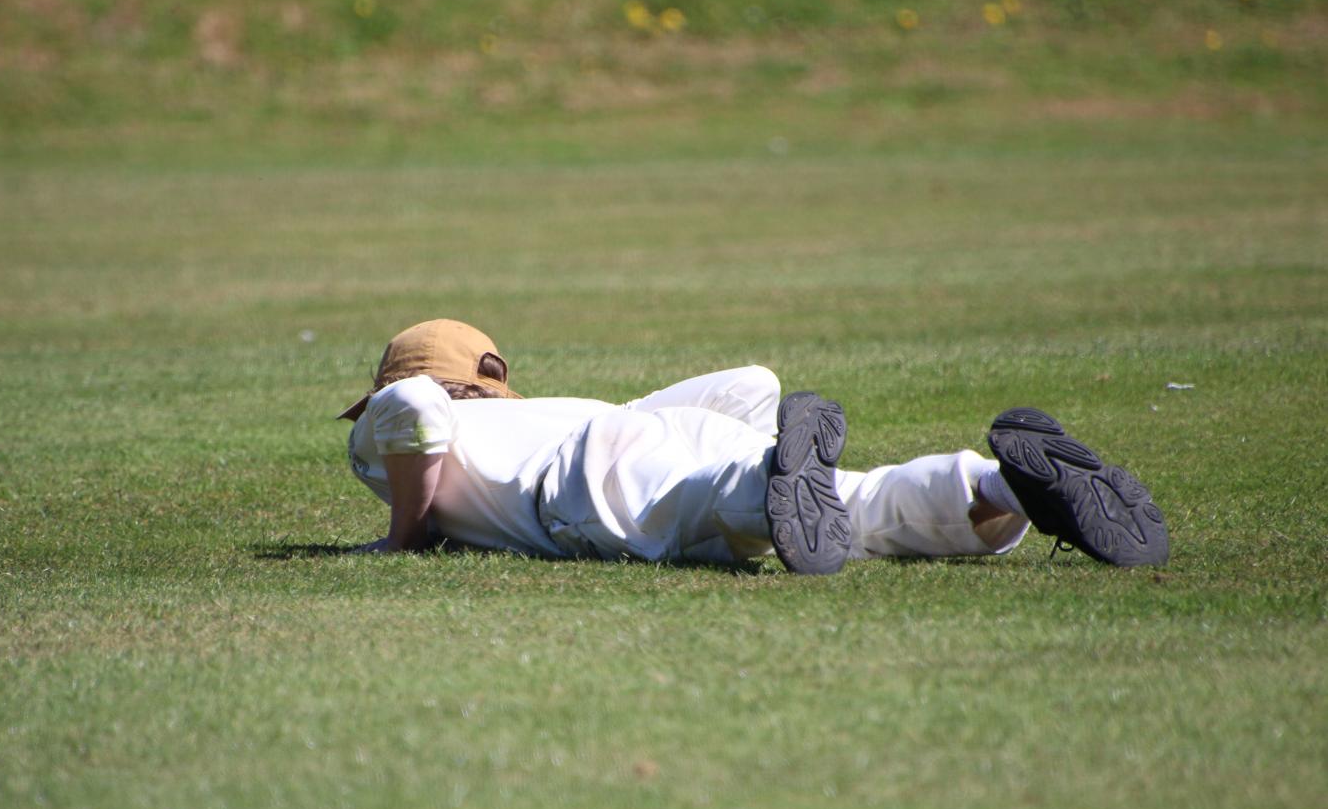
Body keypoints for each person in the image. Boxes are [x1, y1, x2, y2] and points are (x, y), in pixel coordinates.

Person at [338, 319, 1169, 572]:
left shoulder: (388, 423)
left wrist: (405, 534)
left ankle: (772, 483)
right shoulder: (545, 409)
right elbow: (748, 384)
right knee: (855, 505)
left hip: (583, 481)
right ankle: (1000, 486)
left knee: (732, 503)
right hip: (662, 433)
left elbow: (413, 406)